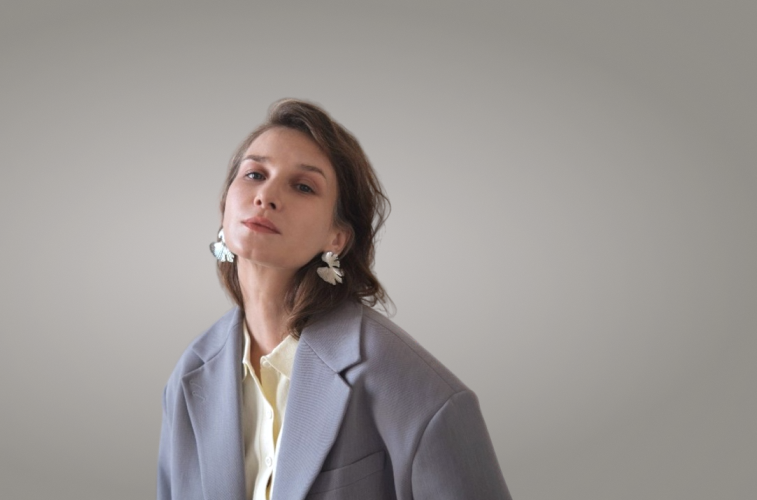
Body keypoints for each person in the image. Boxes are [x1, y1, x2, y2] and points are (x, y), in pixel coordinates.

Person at [157, 99, 511, 500]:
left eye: (303, 186)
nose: (266, 196)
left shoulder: (417, 389)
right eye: (255, 174)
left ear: (337, 238)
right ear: (225, 205)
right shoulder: (188, 377)